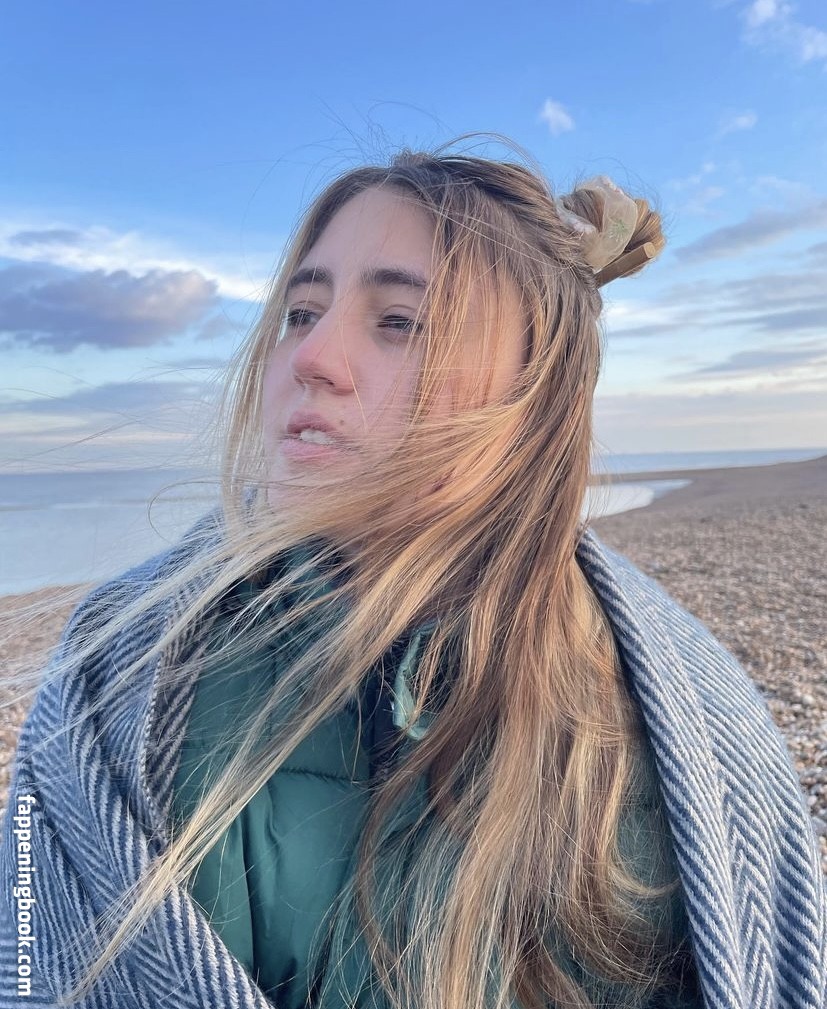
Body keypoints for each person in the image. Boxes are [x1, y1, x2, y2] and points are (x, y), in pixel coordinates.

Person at [0, 140, 824, 1009]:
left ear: (534, 395)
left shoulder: (673, 728)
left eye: (397, 321)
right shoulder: (118, 668)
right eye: (301, 312)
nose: (312, 357)